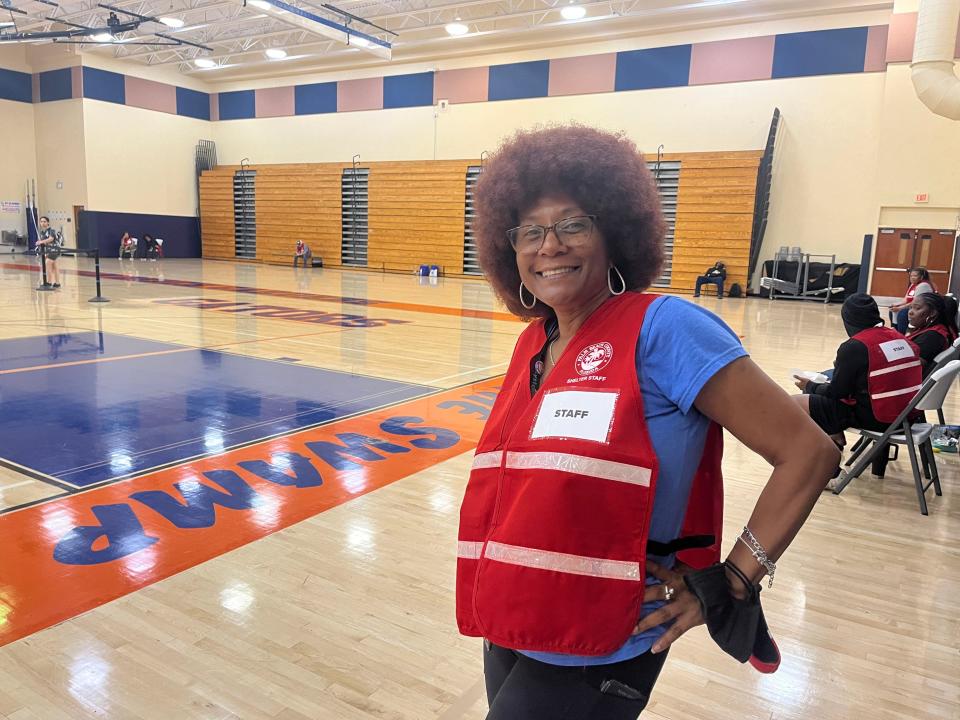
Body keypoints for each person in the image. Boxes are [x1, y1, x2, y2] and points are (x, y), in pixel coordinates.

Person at [458, 125, 839, 720]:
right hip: (517, 613)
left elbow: (808, 453)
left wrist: (732, 581)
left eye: (573, 224)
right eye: (530, 231)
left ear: (616, 232)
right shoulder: (535, 342)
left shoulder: (666, 328)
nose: (548, 245)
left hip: (603, 636)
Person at [793, 293, 922, 452]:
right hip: (908, 416)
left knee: (798, 401)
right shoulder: (900, 338)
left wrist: (810, 385)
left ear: (847, 320)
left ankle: (829, 456)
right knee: (827, 382)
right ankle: (835, 437)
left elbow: (837, 392)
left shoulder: (855, 346)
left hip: (880, 419)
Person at [905, 292, 959, 376]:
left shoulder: (932, 337)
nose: (910, 312)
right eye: (910, 307)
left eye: (917, 308)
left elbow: (908, 367)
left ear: (932, 313)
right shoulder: (934, 330)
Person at [888, 267, 935, 333]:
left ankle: (902, 334)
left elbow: (915, 303)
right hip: (912, 307)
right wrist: (897, 305)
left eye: (915, 276)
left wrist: (900, 308)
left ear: (921, 277)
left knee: (903, 313)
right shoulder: (913, 285)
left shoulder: (923, 285)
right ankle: (895, 331)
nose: (912, 277)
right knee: (892, 310)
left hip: (920, 309)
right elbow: (906, 299)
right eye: (911, 276)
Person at [35, 215, 63, 288]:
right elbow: (44, 243)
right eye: (41, 222)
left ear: (48, 223)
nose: (43, 223)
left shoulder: (51, 230)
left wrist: (41, 241)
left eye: (44, 221)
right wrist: (40, 242)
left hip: (54, 249)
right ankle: (57, 283)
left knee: (47, 263)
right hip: (48, 250)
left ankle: (49, 282)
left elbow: (51, 239)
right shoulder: (42, 232)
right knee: (55, 266)